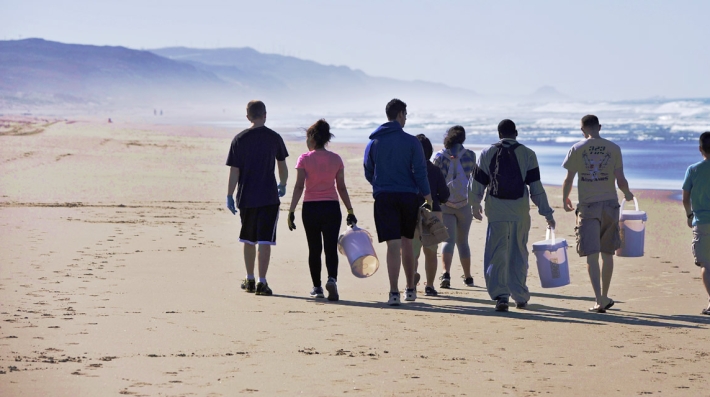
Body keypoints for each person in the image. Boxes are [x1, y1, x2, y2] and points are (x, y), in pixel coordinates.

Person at [471, 119, 555, 311]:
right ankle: (520, 295)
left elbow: (476, 184)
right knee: (518, 252)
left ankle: (501, 297)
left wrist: (474, 204)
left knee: (497, 254)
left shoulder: (487, 152)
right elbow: (536, 189)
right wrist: (547, 213)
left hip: (496, 211)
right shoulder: (528, 154)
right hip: (519, 212)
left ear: (499, 133)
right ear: (515, 133)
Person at [364, 98, 433, 305]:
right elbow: (420, 172)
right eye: (405, 115)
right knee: (407, 243)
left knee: (392, 246)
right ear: (400, 114)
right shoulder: (412, 141)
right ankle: (410, 289)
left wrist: (379, 184)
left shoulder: (374, 142)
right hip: (407, 196)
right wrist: (427, 195)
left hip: (384, 197)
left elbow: (368, 170)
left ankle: (394, 292)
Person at [562, 115, 633, 313]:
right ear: (599, 127)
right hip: (610, 205)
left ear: (582, 129)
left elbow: (569, 179)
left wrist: (565, 198)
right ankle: (605, 295)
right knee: (608, 253)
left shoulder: (577, 148)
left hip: (588, 206)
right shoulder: (614, 148)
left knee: (591, 255)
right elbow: (620, 179)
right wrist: (627, 194)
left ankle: (599, 299)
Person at [287, 119, 357, 302]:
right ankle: (332, 280)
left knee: (314, 248)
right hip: (332, 207)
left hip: (310, 208)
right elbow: (341, 187)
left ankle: (317, 287)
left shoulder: (304, 159)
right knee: (330, 248)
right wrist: (350, 210)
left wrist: (291, 210)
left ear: (311, 138)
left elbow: (298, 187)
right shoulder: (336, 159)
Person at [226, 100, 289, 296]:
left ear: (248, 117)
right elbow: (282, 166)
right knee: (265, 241)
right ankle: (262, 281)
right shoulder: (274, 138)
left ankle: (250, 278)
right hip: (269, 196)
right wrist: (283, 183)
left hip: (246, 197)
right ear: (265, 114)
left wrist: (230, 194)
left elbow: (234, 172)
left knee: (248, 239)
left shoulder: (239, 139)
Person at [432, 126, 477, 288]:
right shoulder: (470, 155)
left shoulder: (439, 156)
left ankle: (446, 275)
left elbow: (435, 180)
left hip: (445, 204)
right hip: (465, 204)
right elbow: (475, 179)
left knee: (448, 240)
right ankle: (468, 277)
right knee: (463, 241)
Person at [413, 134, 450, 296]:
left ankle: (411, 283)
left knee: (412, 252)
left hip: (413, 212)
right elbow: (444, 194)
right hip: (433, 212)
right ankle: (430, 285)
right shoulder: (435, 170)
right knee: (431, 252)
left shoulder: (410, 170)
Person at [681, 131, 710, 315]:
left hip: (702, 221)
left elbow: (685, 198)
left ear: (700, 149)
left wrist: (689, 215)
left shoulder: (693, 169)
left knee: (706, 264)